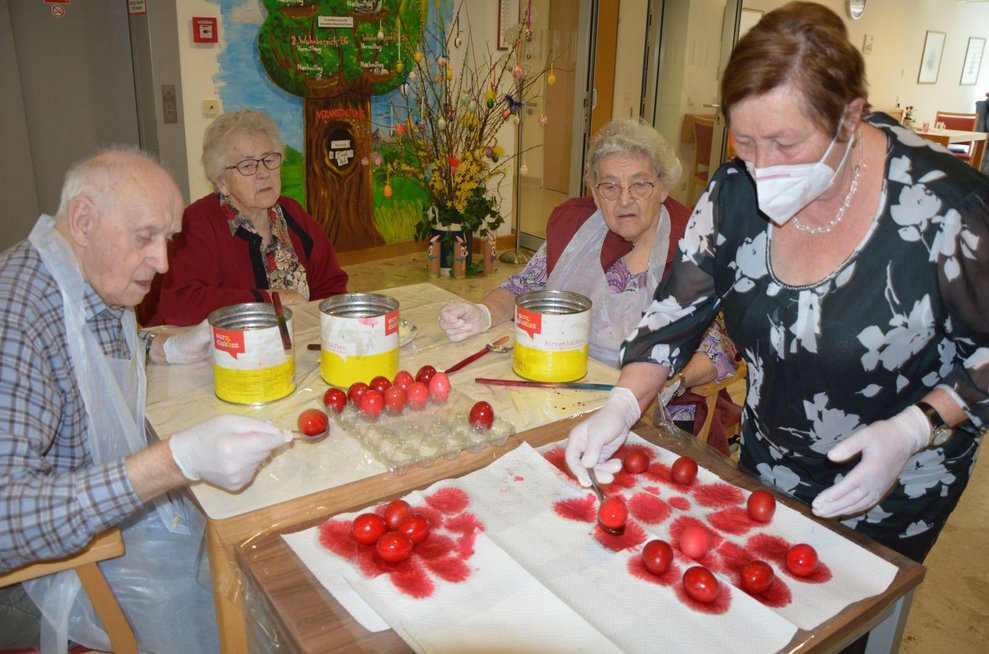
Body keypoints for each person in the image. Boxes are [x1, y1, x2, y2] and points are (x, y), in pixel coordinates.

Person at [565, 1, 989, 567]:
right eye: (745, 142)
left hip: (895, 482)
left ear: (849, 117)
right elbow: (675, 310)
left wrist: (917, 425)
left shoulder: (948, 209)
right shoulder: (734, 191)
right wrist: (623, 403)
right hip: (768, 460)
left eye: (786, 144)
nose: (762, 167)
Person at [0, 148, 294, 653]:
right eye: (145, 238)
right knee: (243, 589)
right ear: (83, 221)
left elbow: (76, 350)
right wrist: (171, 462)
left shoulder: (84, 277)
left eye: (167, 239)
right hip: (32, 583)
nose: (162, 261)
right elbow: (7, 520)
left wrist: (160, 347)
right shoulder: (15, 317)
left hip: (96, 527)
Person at [437, 119, 739, 449]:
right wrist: (482, 314)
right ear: (594, 193)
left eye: (640, 185)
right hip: (560, 391)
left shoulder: (693, 245)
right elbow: (523, 287)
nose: (625, 199)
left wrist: (671, 382)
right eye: (610, 186)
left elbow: (718, 346)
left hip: (650, 414)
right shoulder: (575, 228)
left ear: (663, 188)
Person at [138, 109, 348, 326]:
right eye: (247, 165)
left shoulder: (293, 214)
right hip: (221, 344)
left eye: (269, 159)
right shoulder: (197, 223)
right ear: (221, 181)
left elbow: (332, 287)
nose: (264, 173)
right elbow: (181, 305)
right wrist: (268, 300)